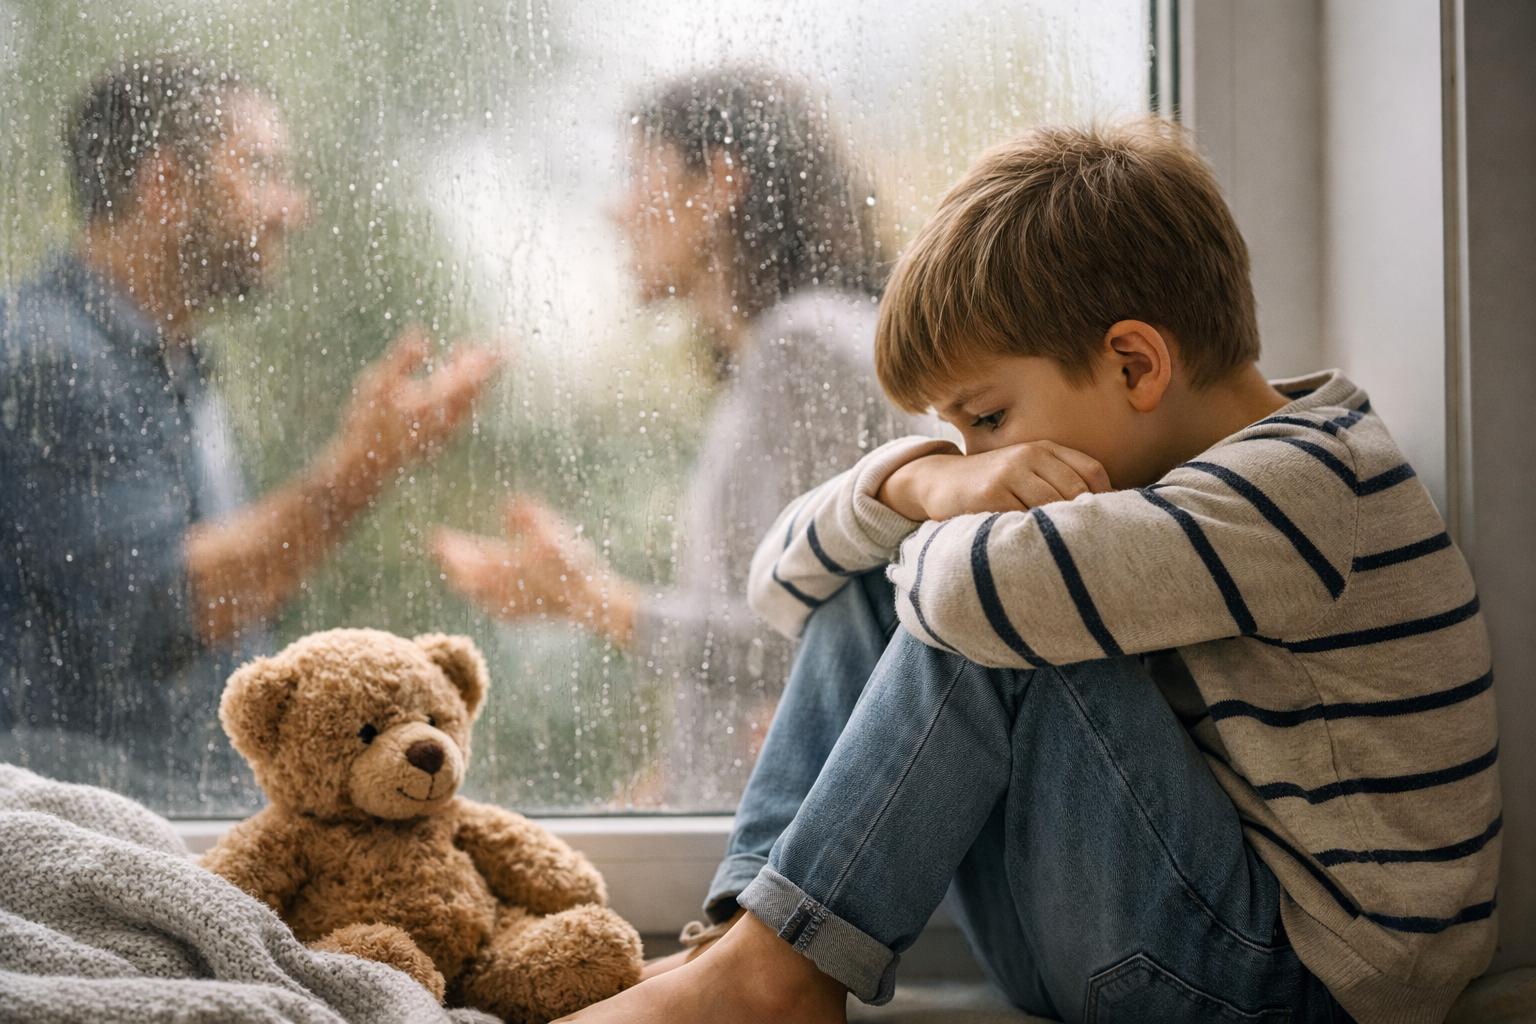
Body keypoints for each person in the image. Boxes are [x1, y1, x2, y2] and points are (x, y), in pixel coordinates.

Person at [559, 119, 1500, 1024]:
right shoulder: (1180, 481)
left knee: (999, 599)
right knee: (884, 571)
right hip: (1115, 937)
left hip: (1291, 985)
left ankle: (771, 977)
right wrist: (917, 481)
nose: (973, 458)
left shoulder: (1301, 486)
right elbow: (785, 584)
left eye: (987, 420)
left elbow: (970, 598)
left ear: (1136, 366)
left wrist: (939, 505)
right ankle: (741, 944)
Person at [0, 53, 499, 812]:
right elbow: (164, 608)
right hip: (90, 845)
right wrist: (359, 471)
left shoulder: (169, 361)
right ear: (164, 186)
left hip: (165, 823)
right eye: (261, 169)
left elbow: (230, 615)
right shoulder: (49, 358)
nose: (292, 206)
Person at [432, 68, 923, 806]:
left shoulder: (807, 346)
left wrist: (594, 599)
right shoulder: (775, 362)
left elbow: (843, 641)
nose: (616, 211)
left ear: (718, 183)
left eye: (637, 175)